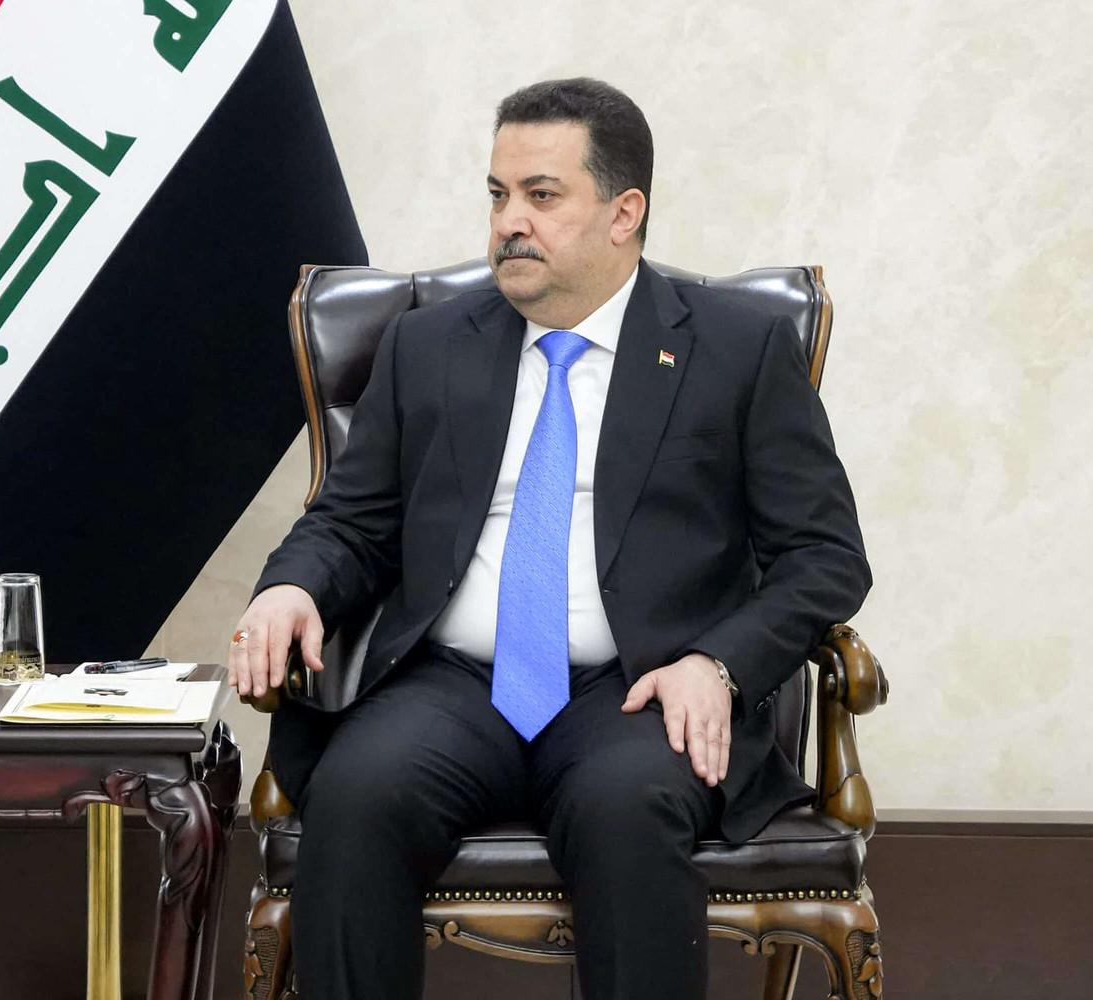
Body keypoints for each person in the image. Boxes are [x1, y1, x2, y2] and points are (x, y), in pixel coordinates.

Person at [226, 77, 870, 1000]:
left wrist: (718, 666)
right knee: (358, 793)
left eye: (540, 195)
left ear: (623, 213)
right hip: (453, 685)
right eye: (498, 195)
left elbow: (825, 554)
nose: (508, 223)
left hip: (641, 689)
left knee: (625, 808)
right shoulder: (427, 347)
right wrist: (291, 586)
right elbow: (351, 522)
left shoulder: (736, 349)